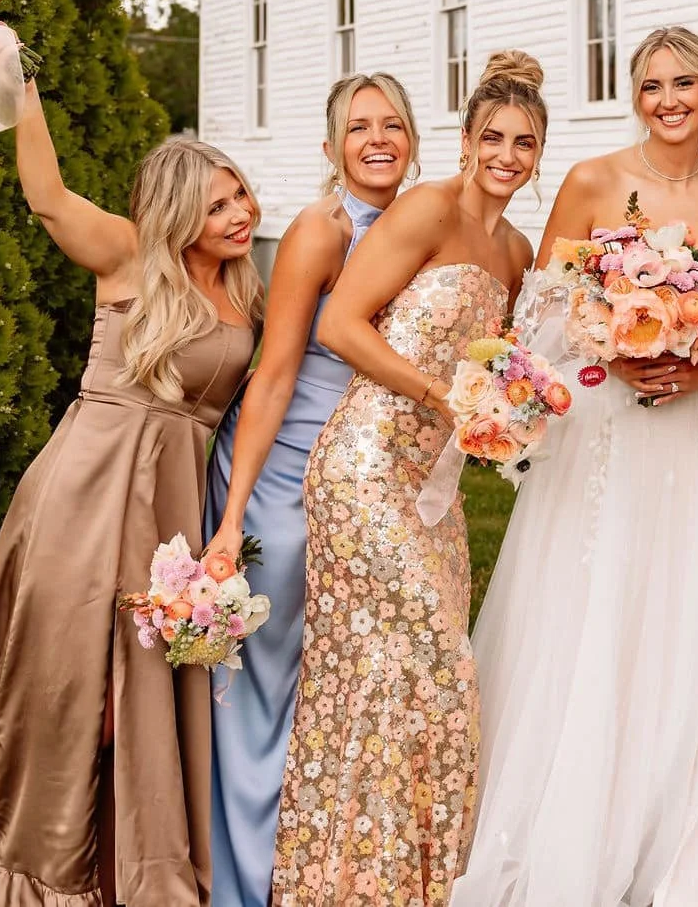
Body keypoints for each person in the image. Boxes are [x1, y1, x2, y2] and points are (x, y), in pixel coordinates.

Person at [0, 51, 261, 907]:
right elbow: (48, 196)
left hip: (170, 509)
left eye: (241, 194)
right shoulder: (129, 257)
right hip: (82, 491)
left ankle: (126, 846)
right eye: (219, 203)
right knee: (66, 680)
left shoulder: (246, 290)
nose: (241, 213)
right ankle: (38, 837)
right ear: (177, 212)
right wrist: (22, 80)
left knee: (138, 685)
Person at [453, 27, 698, 907]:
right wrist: (611, 348)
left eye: (685, 83)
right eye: (652, 83)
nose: (669, 99)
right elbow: (538, 314)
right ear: (634, 93)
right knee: (602, 614)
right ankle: (580, 828)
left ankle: (689, 831)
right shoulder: (591, 179)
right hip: (611, 431)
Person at [270, 52, 543, 907]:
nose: (506, 153)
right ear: (463, 142)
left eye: (524, 142)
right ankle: (347, 880)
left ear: (539, 154)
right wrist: (444, 394)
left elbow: (507, 363)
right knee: (425, 664)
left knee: (418, 673)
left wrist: (505, 410)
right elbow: (343, 325)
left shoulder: (517, 249)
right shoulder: (427, 208)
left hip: (436, 485)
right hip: (362, 467)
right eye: (492, 136)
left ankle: (416, 875)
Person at [200, 72, 421, 907]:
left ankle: (321, 862)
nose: (377, 138)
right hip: (283, 479)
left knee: (337, 675)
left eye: (391, 124)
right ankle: (245, 873)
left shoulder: (416, 225)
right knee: (266, 670)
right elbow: (275, 375)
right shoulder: (318, 231)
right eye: (358, 126)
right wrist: (230, 521)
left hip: (368, 482)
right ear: (330, 147)